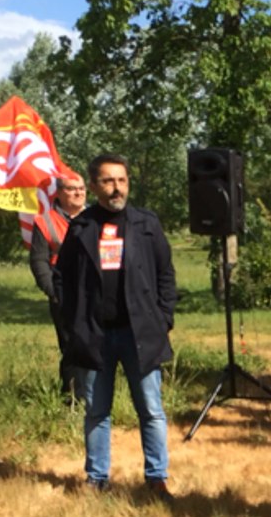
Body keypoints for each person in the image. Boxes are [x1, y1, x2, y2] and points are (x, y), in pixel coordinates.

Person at [53, 153, 177, 496]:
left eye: (121, 180)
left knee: (151, 410)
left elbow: (166, 275)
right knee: (96, 411)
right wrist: (73, 320)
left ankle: (156, 478)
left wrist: (164, 317)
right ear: (94, 186)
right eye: (108, 181)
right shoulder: (82, 228)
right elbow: (61, 278)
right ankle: (96, 479)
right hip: (96, 336)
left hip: (141, 334)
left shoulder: (147, 224)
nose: (116, 187)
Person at [29, 169, 87, 404]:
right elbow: (38, 261)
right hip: (64, 296)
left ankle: (99, 396)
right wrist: (53, 292)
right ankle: (73, 398)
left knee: (99, 346)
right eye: (72, 189)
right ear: (59, 193)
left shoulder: (97, 217)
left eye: (81, 189)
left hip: (97, 294)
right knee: (72, 347)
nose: (78, 193)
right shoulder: (44, 222)